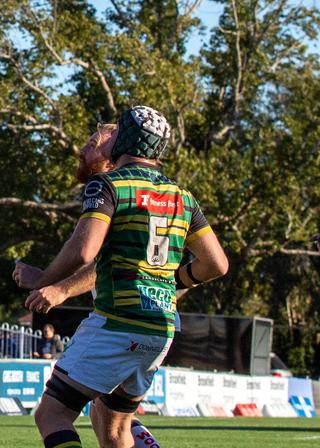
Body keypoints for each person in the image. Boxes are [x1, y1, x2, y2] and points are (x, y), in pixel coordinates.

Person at [32, 106, 230, 448]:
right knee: (114, 428)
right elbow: (217, 265)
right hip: (161, 328)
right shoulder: (183, 197)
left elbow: (84, 252)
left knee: (52, 414)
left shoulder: (108, 185)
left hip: (117, 321)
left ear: (123, 138)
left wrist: (44, 278)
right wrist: (170, 282)